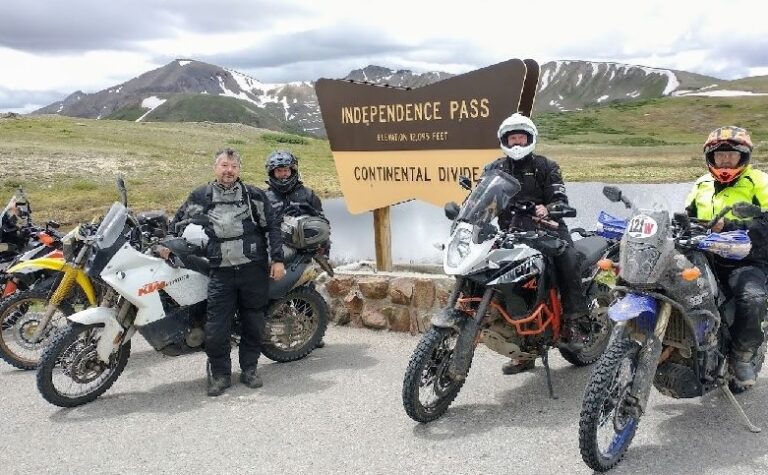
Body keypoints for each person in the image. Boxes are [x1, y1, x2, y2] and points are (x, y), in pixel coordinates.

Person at [171, 148, 285, 396]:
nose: (228, 170)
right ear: (216, 168)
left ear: (239, 170)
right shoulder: (201, 195)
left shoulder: (253, 195)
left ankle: (250, 370)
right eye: (224, 165)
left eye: (233, 166)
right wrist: (165, 243)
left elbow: (273, 226)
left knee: (253, 322)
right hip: (220, 270)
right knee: (216, 328)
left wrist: (277, 259)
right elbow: (178, 220)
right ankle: (221, 375)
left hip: (252, 269)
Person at [483, 113, 589, 375]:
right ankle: (523, 349)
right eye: (512, 138)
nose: (517, 142)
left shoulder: (546, 166)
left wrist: (549, 208)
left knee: (568, 258)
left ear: (530, 139)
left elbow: (559, 195)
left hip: (547, 230)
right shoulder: (495, 169)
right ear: (504, 140)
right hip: (510, 234)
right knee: (508, 285)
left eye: (521, 137)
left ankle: (575, 322)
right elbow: (483, 199)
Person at [685, 125, 768, 389]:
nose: (725, 161)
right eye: (720, 156)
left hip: (746, 259)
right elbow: (688, 216)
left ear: (743, 157)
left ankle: (743, 356)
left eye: (731, 156)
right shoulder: (701, 183)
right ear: (711, 157)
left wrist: (729, 228)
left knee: (752, 297)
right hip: (706, 255)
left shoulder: (759, 182)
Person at [264, 150, 329, 347]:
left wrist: (324, 251)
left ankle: (313, 333)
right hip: (274, 249)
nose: (283, 174)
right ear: (272, 173)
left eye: (285, 170)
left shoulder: (307, 195)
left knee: (306, 289)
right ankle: (270, 323)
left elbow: (323, 223)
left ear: (293, 170)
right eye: (278, 171)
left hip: (303, 252)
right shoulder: (265, 196)